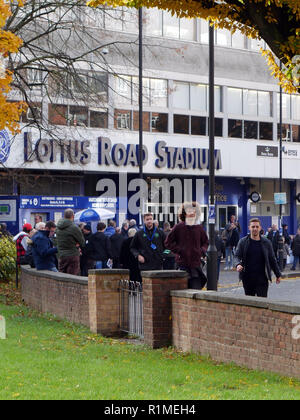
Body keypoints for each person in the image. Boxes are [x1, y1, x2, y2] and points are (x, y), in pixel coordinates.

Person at [165, 202, 209, 289]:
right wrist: (179, 250)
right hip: (182, 266)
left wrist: (201, 251)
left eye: (193, 211)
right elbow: (167, 242)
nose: (191, 213)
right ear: (184, 213)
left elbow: (206, 242)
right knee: (182, 293)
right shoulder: (178, 227)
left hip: (195, 266)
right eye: (188, 211)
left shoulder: (199, 228)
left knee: (196, 292)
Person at [235, 218, 281, 298]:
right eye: (253, 227)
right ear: (249, 228)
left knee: (262, 304)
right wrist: (238, 264)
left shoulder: (266, 243)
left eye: (257, 227)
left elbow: (272, 259)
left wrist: (278, 274)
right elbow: (237, 256)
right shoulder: (243, 242)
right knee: (250, 304)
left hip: (262, 279)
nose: (255, 229)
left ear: (260, 228)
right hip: (247, 279)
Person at [56, 208, 85, 276]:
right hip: (72, 255)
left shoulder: (58, 227)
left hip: (61, 255)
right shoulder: (74, 227)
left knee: (61, 276)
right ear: (73, 216)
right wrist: (77, 244)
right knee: (72, 277)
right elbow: (82, 242)